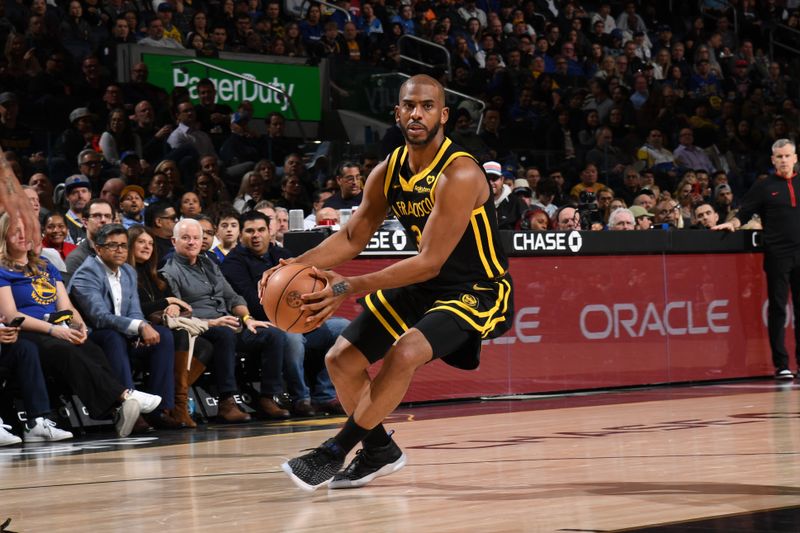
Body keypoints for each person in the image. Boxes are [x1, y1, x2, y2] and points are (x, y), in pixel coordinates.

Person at [270, 75, 513, 491]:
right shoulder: (387, 171)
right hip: (425, 286)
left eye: (427, 106)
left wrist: (347, 286)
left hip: (478, 287)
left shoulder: (460, 173)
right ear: (397, 112)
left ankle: (335, 450)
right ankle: (380, 450)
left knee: (405, 352)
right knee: (340, 360)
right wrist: (291, 266)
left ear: (444, 115)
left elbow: (430, 261)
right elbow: (351, 237)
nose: (417, 113)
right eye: (409, 105)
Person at [0, 213, 152, 437]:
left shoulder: (46, 265)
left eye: (28, 230)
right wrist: (55, 330)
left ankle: (119, 410)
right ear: (4, 234)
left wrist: (79, 326)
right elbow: (12, 315)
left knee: (90, 346)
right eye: (16, 231)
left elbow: (66, 306)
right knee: (63, 349)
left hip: (56, 327)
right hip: (27, 331)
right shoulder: (2, 269)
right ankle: (124, 397)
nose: (23, 236)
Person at [221, 211, 348, 416]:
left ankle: (325, 395)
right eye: (250, 231)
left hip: (300, 318)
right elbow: (253, 302)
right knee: (291, 337)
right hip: (265, 325)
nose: (256, 235)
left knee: (343, 328)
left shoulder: (283, 255)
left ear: (269, 231)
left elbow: (314, 287)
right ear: (240, 234)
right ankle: (301, 399)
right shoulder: (232, 263)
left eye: (261, 230)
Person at [68, 224, 179, 428]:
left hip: (122, 333)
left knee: (162, 336)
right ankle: (129, 409)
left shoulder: (128, 271)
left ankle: (160, 409)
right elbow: (99, 317)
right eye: (113, 245)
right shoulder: (87, 274)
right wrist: (137, 327)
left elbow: (134, 310)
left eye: (123, 245)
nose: (119, 250)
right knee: (113, 336)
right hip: (92, 338)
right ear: (98, 249)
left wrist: (140, 329)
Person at [713, 139, 800, 379]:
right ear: (773, 160)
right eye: (779, 157)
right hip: (778, 255)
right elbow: (744, 212)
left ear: (795, 158)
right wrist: (732, 224)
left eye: (787, 156)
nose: (783, 160)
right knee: (778, 309)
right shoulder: (765, 186)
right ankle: (782, 364)